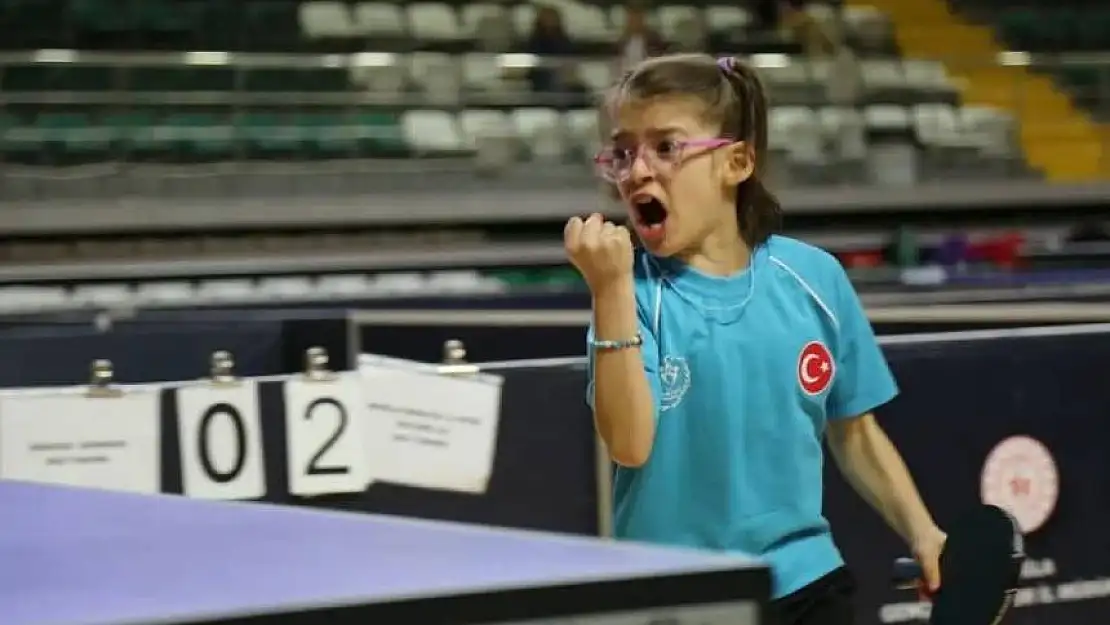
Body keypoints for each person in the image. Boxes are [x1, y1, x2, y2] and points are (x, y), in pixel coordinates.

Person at [563, 53, 947, 625]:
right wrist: (611, 290)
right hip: (673, 597)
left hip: (805, 580)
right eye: (623, 152)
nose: (638, 170)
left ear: (736, 162)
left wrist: (923, 531)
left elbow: (855, 432)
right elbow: (629, 445)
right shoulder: (632, 296)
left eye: (666, 147)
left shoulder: (814, 279)